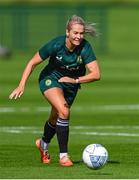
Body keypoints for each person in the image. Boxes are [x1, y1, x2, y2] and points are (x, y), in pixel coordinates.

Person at [9, 15, 101, 167]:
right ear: (67, 32)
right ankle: (63, 156)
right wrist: (21, 85)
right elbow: (32, 62)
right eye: (75, 33)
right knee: (64, 111)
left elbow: (96, 74)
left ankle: (43, 144)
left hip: (71, 85)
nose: (78, 37)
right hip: (50, 78)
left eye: (81, 33)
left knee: (56, 117)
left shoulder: (85, 47)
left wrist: (76, 80)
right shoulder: (56, 44)